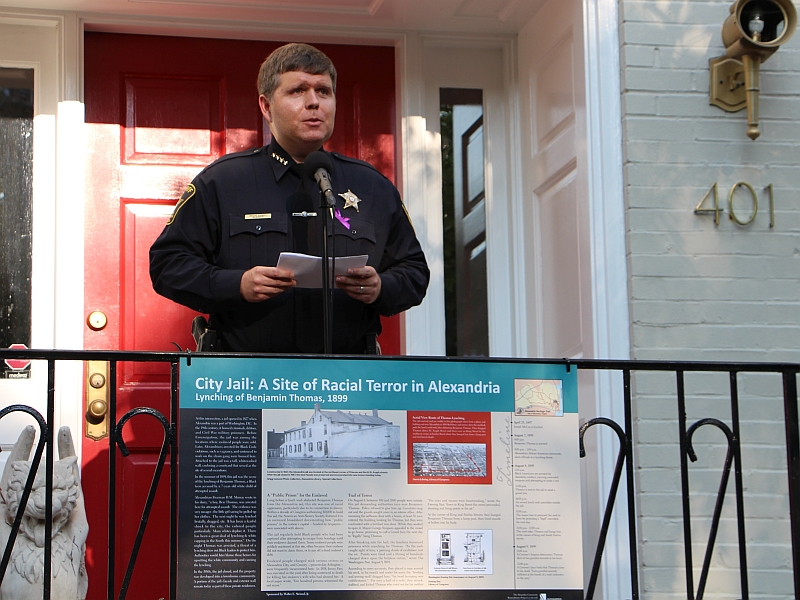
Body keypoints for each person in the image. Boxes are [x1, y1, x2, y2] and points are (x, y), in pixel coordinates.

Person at [149, 43, 429, 354]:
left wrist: (380, 287)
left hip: (349, 381)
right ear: (266, 106)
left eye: (324, 91)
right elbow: (167, 266)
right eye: (298, 91)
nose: (313, 103)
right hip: (245, 380)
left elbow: (414, 272)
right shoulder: (224, 181)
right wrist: (237, 284)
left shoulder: (372, 185)